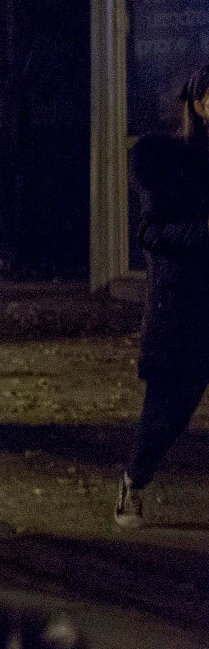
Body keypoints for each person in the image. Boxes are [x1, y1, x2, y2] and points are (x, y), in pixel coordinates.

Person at [119, 65, 209, 528]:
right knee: (167, 414)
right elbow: (152, 233)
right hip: (186, 307)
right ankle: (133, 481)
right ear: (200, 104)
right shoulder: (168, 160)